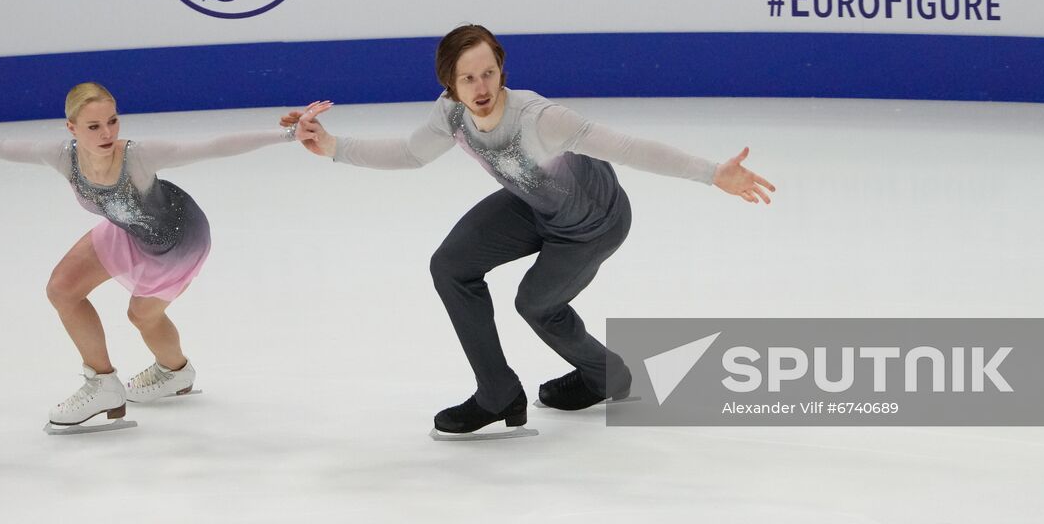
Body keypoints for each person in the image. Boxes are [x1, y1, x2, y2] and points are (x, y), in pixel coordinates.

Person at [283, 24, 774, 437]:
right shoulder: (452, 114)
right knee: (451, 266)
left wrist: (713, 173)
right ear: (450, 83)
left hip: (593, 224)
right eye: (468, 78)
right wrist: (332, 146)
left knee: (535, 302)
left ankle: (609, 374)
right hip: (534, 206)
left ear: (502, 70)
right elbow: (411, 154)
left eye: (489, 73)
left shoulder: (541, 118)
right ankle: (497, 393)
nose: (481, 88)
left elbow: (626, 147)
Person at [0, 83, 315, 431]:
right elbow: (0, 147)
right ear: (71, 128)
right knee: (62, 289)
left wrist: (287, 134)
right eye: (93, 126)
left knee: (141, 316)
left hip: (176, 240)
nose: (106, 133)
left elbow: (213, 145)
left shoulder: (137, 155)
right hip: (127, 229)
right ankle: (103, 383)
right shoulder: (61, 156)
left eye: (111, 121)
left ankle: (176, 371)